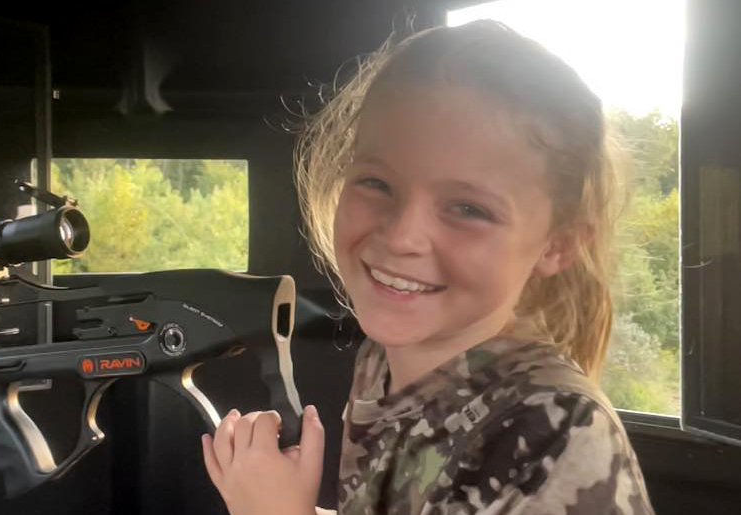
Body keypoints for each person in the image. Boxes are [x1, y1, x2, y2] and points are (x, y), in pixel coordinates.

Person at [200, 20, 656, 515]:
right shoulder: (384, 360)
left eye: (467, 209)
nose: (401, 236)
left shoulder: (554, 432)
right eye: (376, 183)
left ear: (558, 245)